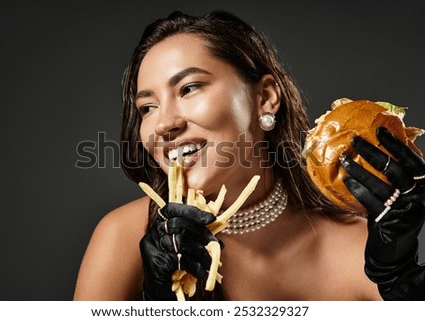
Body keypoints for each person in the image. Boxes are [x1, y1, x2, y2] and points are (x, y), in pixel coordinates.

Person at [73, 11, 425, 300]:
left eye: (189, 88)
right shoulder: (122, 238)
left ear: (265, 98)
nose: (163, 123)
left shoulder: (359, 249)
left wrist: (402, 288)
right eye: (147, 107)